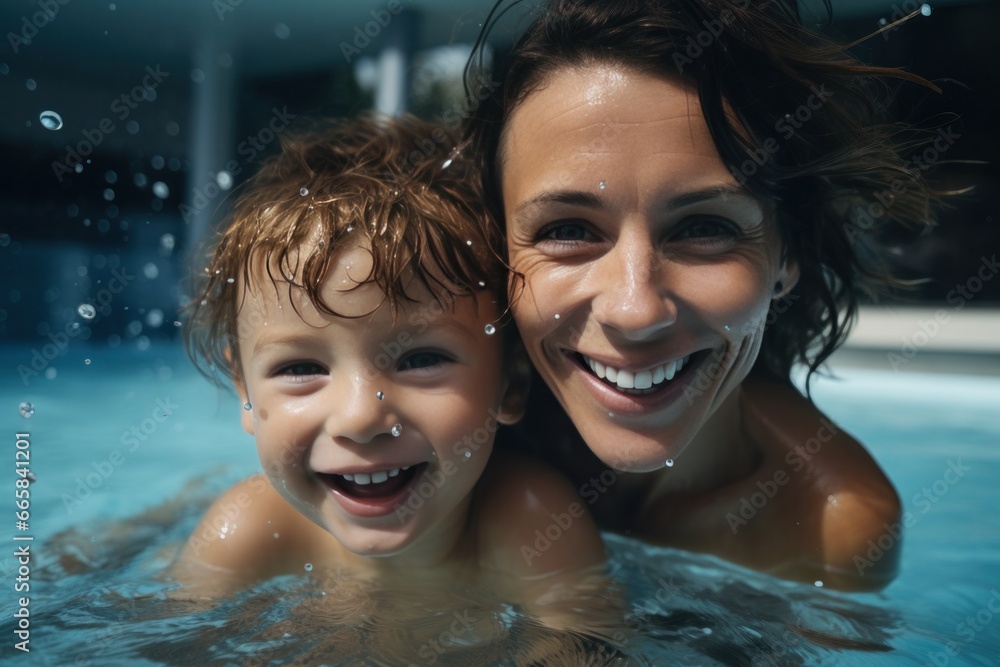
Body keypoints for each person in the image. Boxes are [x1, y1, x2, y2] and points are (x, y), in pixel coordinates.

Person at [462, 0, 942, 590]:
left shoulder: (830, 528)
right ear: (497, 249)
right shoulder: (437, 437)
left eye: (704, 229)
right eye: (567, 231)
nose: (634, 310)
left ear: (787, 257)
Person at [171, 114, 609, 633]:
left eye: (420, 360)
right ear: (244, 391)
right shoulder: (246, 531)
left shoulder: (532, 521)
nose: (359, 418)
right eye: (301, 368)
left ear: (509, 382)